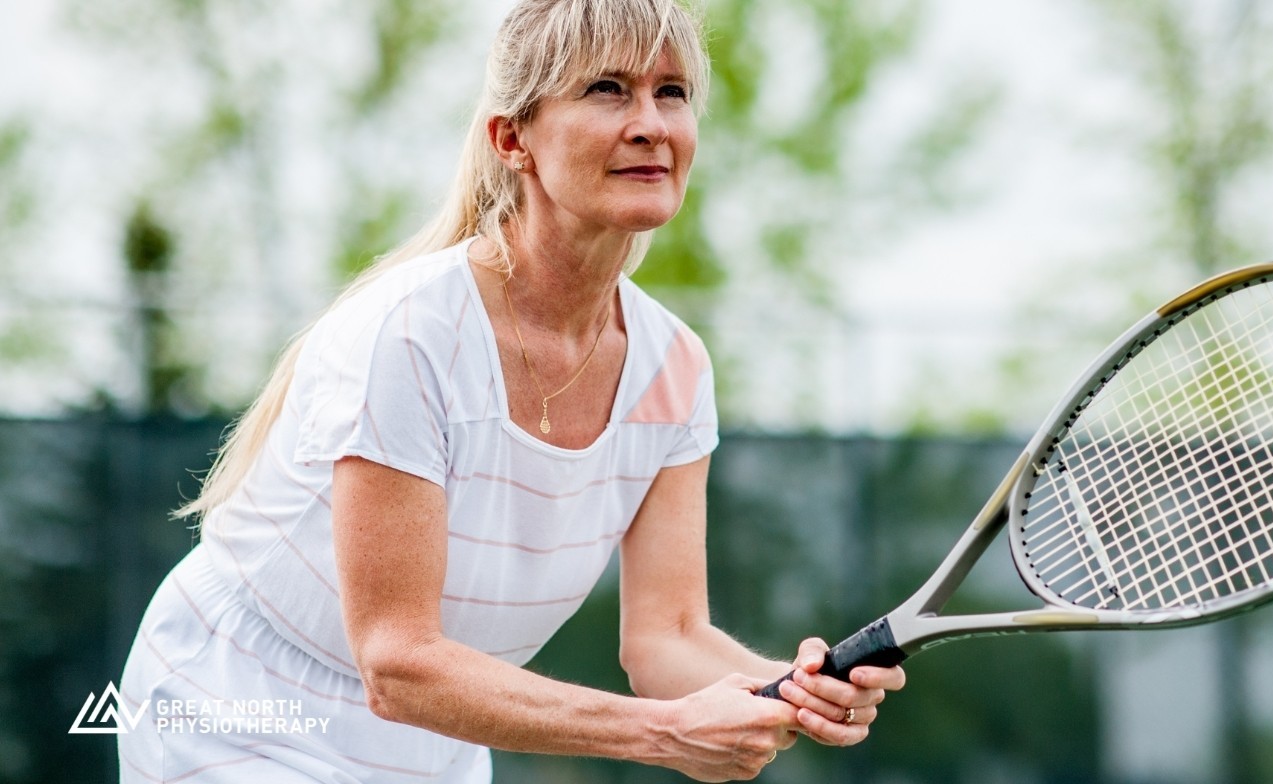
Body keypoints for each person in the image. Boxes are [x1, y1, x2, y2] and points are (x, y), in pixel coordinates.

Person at [116, 0, 905, 781]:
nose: (651, 124)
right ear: (511, 137)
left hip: (437, 736)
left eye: (672, 93)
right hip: (231, 709)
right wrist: (664, 733)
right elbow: (397, 663)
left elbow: (667, 636)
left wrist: (789, 691)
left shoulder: (675, 367)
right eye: (606, 89)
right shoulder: (409, 333)